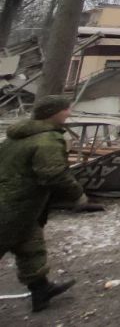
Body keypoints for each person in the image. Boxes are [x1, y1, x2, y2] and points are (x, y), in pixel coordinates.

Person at [0, 95, 87, 312]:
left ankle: (41, 290)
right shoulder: (46, 140)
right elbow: (54, 174)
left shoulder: (19, 136)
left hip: (23, 207)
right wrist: (77, 195)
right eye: (66, 109)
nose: (69, 113)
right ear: (53, 113)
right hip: (12, 205)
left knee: (30, 246)